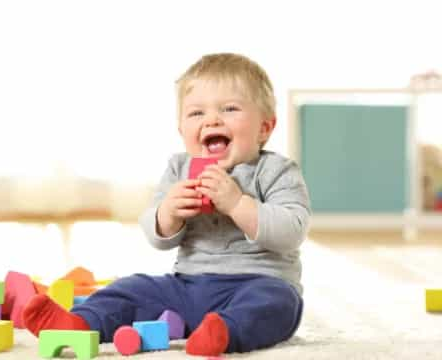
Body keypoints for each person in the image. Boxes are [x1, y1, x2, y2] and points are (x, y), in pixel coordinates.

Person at [22, 53, 311, 356]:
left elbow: (292, 230)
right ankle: (80, 323)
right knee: (132, 288)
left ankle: (224, 333)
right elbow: (155, 234)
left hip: (257, 282)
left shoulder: (277, 171)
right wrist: (169, 213)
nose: (212, 119)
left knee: (278, 303)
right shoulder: (179, 169)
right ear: (181, 130)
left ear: (264, 128)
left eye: (229, 109)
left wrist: (237, 203)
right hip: (186, 286)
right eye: (196, 113)